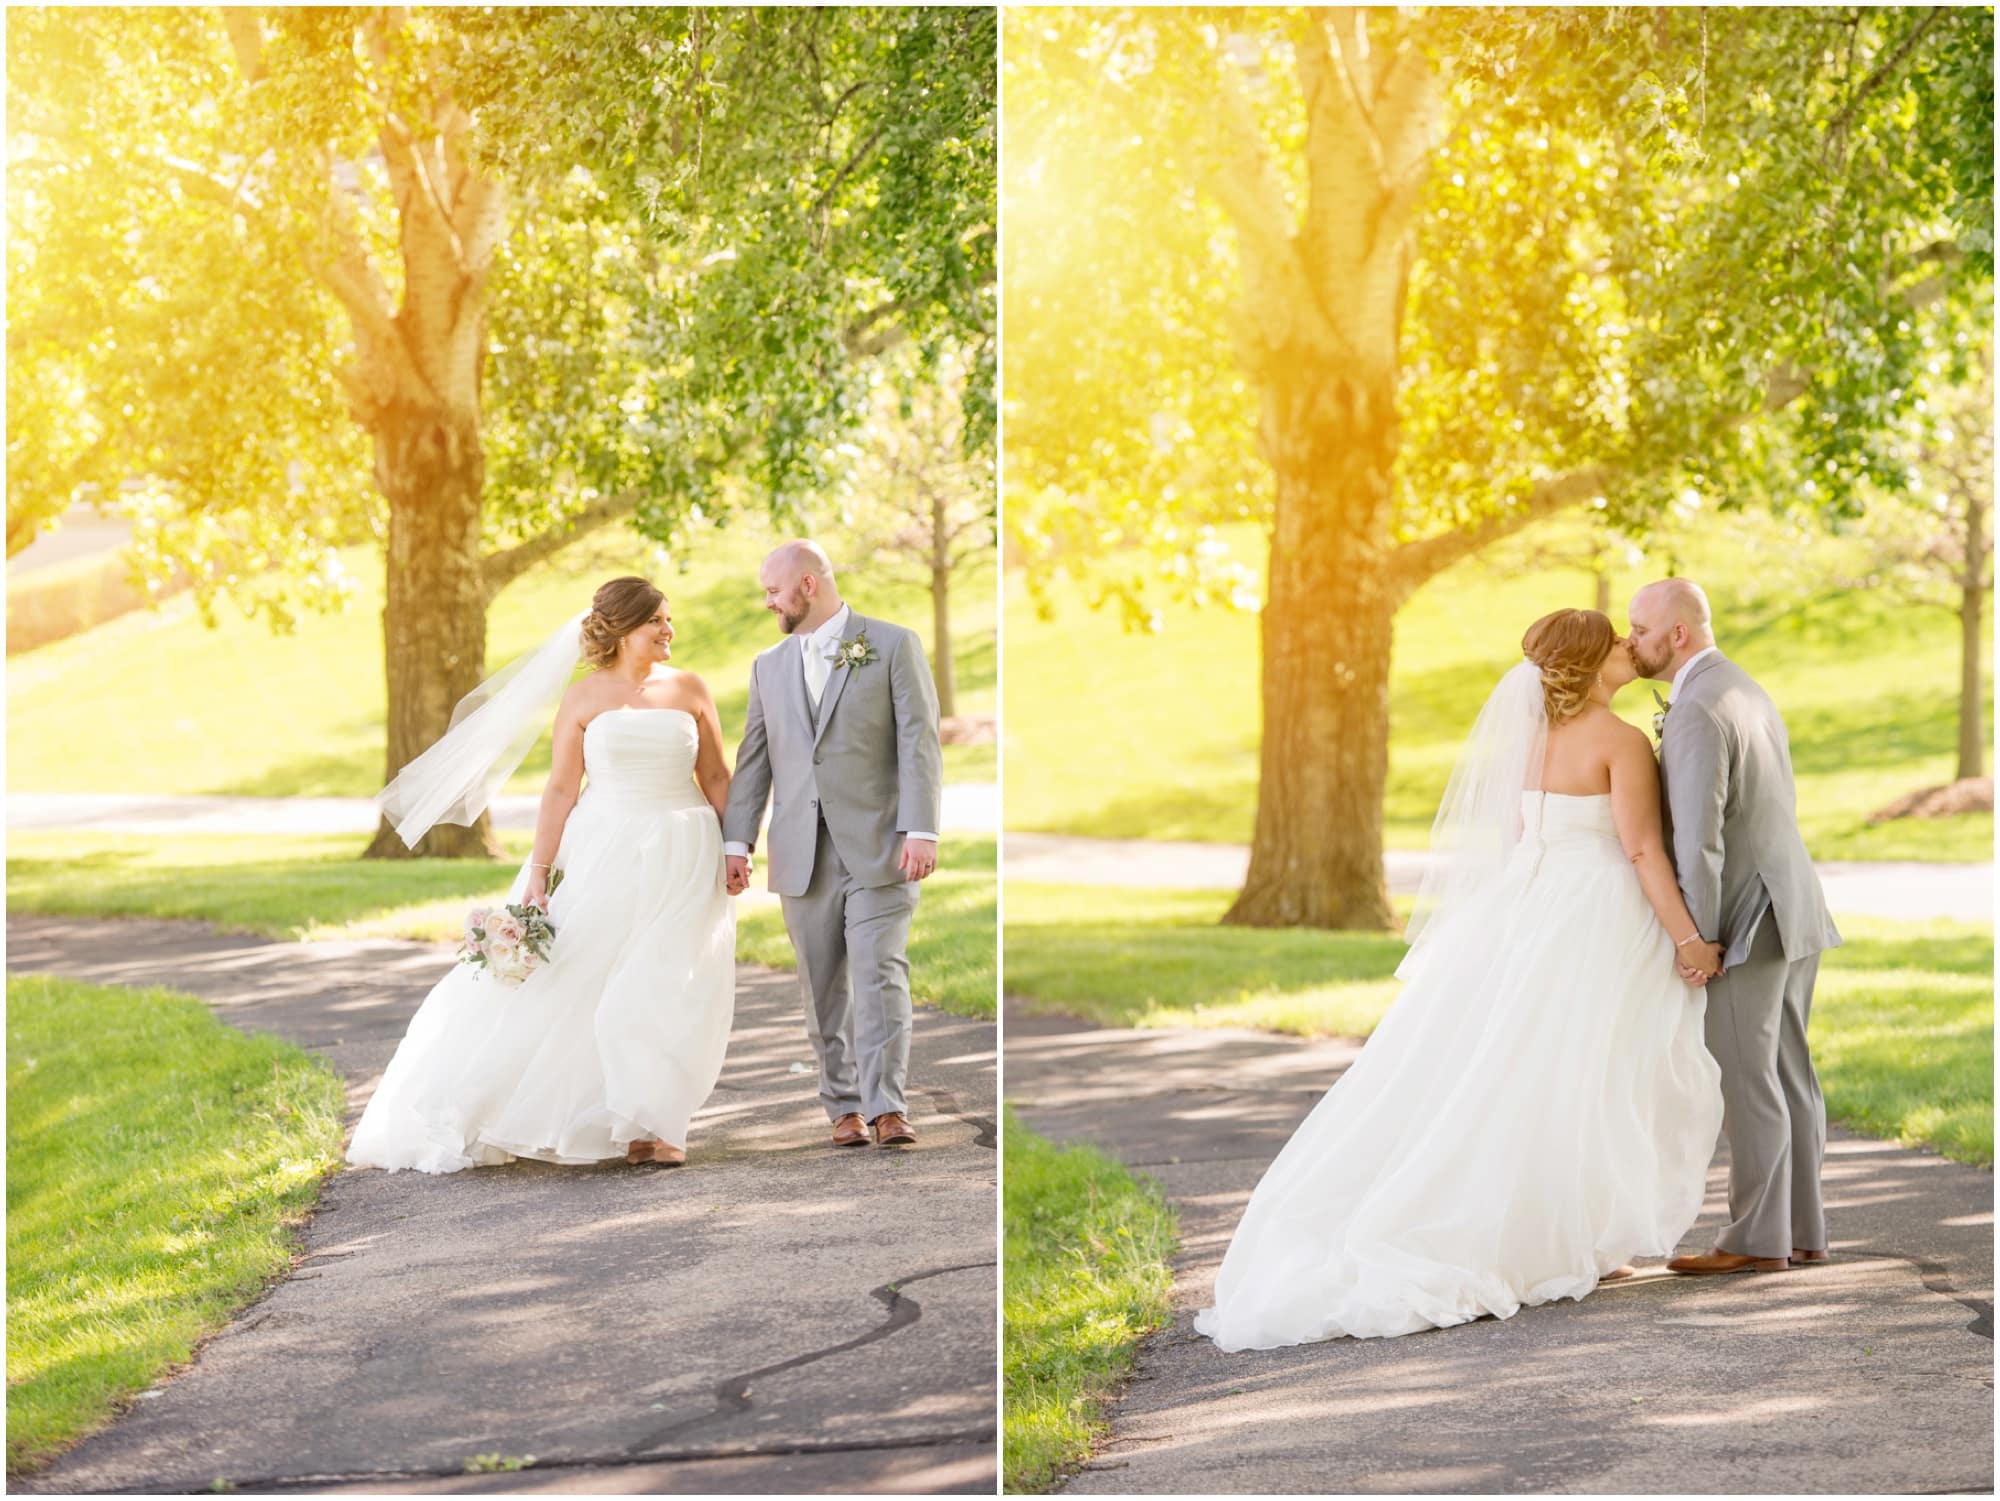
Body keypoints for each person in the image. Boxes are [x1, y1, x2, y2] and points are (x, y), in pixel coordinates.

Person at [1195, 608, 1724, 1351]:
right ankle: (1574, 1235)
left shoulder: (1531, 740)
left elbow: (1518, 836)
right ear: (1590, 662)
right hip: (1597, 914)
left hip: (1529, 907)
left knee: (1513, 1069)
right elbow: (1640, 851)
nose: (1627, 649)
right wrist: (1689, 938)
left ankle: (1575, 1235)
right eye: (1615, 643)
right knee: (1592, 1070)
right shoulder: (1623, 742)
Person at [347, 576, 737, 1174]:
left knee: (668, 984)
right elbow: (561, 787)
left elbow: (716, 776)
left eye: (667, 619)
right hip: (606, 849)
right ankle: (613, 1119)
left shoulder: (690, 688)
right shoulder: (583, 699)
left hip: (685, 851)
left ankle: (659, 1124)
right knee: (593, 981)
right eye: (656, 621)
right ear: (625, 629)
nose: (669, 630)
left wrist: (736, 846)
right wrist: (538, 872)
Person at [1627, 577, 1841, 1275]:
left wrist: (1700, 936)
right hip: (1795, 903)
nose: (1632, 640)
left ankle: (1755, 1240)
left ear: (1678, 633)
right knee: (1788, 1072)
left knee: (1750, 1079)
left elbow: (1700, 841)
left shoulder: (1694, 708)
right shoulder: (1742, 685)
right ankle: (1801, 1231)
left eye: (1640, 628)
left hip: (1750, 918)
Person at [722, 541, 944, 1149]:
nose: (768, 602)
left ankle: (887, 1107)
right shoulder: (768, 666)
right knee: (822, 989)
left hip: (879, 848)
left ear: (809, 585)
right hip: (802, 853)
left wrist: (920, 829)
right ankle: (843, 1105)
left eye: (773, 590)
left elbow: (919, 744)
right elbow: (754, 761)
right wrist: (736, 841)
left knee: (880, 974)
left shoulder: (894, 645)